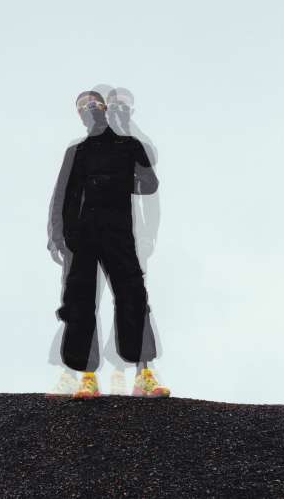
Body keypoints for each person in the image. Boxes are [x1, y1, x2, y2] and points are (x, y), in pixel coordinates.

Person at [52, 90, 170, 398]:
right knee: (80, 302)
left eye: (93, 104)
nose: (88, 109)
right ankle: (86, 376)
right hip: (82, 237)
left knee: (133, 296)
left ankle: (144, 373)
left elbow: (150, 184)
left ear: (104, 108)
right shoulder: (77, 151)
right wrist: (57, 237)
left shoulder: (129, 145)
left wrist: (119, 179)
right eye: (82, 107)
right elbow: (62, 196)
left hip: (119, 233)